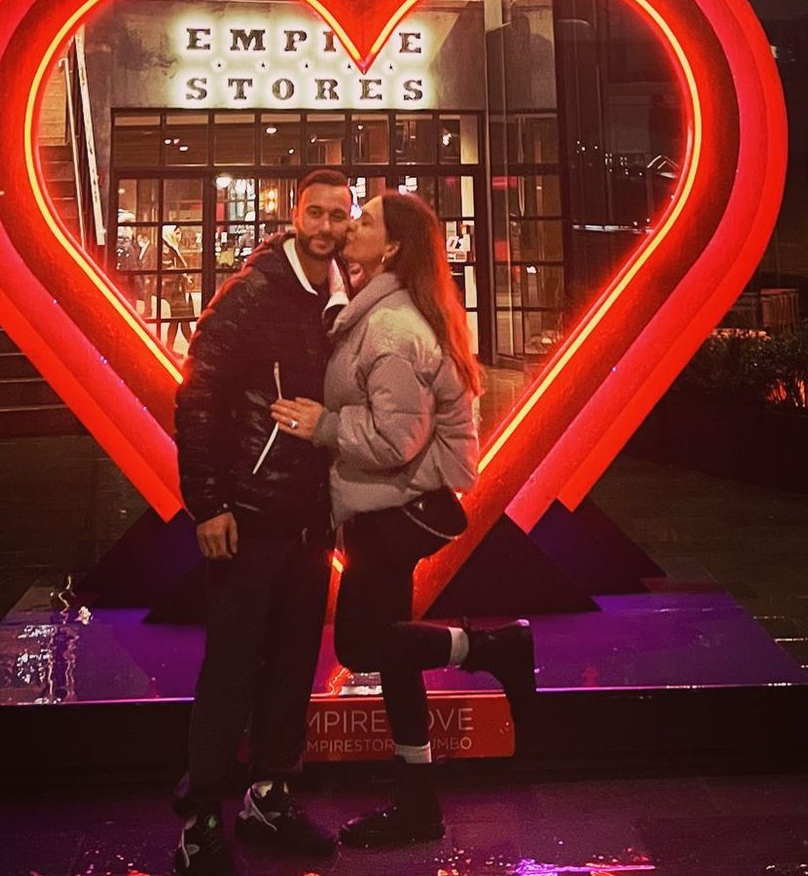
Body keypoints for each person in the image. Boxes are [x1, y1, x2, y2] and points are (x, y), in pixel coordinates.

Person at [271, 192, 537, 849]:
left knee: (362, 645)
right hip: (382, 504)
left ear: (390, 249)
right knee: (392, 652)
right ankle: (418, 805)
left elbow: (397, 439)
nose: (350, 229)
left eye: (363, 223)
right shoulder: (377, 309)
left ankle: (493, 648)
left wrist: (323, 425)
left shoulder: (392, 330)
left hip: (393, 506)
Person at [173, 168, 352, 876]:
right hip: (246, 519)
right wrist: (208, 503)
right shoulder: (250, 293)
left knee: (290, 670)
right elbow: (197, 397)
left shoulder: (343, 300)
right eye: (316, 212)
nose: (326, 227)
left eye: (339, 215)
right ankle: (200, 820)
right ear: (293, 214)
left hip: (312, 522)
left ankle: (270, 795)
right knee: (231, 672)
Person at [160, 224, 195, 350]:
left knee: (176, 320)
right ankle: (194, 347)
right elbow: (170, 271)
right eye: (176, 233)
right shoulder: (166, 249)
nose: (179, 237)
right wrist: (184, 278)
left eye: (180, 233)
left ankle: (169, 348)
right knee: (183, 318)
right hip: (173, 291)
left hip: (177, 290)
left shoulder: (172, 247)